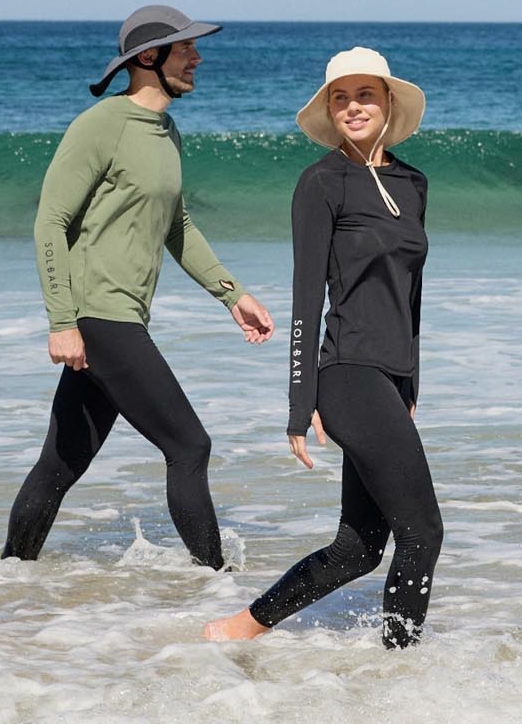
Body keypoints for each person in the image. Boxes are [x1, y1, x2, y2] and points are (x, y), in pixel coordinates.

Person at [3, 5, 275, 570]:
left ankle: (8, 579)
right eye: (187, 49)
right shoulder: (100, 125)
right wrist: (61, 322)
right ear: (148, 58)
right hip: (101, 319)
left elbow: (176, 225)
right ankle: (218, 583)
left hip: (120, 317)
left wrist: (232, 294)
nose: (198, 58)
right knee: (189, 446)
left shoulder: (166, 131)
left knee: (60, 463)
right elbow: (49, 221)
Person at [206, 47, 440, 648]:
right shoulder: (320, 183)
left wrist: (411, 385)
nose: (353, 107)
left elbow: (410, 296)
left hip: (390, 378)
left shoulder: (412, 183)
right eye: (340, 97)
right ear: (329, 110)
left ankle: (241, 627)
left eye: (365, 95)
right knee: (422, 532)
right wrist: (299, 403)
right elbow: (305, 299)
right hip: (347, 373)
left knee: (358, 547)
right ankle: (402, 668)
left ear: (388, 103)